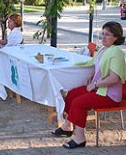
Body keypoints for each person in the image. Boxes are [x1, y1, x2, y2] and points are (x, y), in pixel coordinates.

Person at [52, 21, 126, 149]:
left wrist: (95, 84)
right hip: (100, 89)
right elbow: (100, 68)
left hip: (110, 96)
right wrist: (92, 78)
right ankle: (67, 126)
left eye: (107, 34)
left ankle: (80, 138)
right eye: (102, 34)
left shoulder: (116, 52)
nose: (103, 37)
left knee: (79, 102)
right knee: (72, 94)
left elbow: (114, 78)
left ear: (116, 37)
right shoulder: (104, 49)